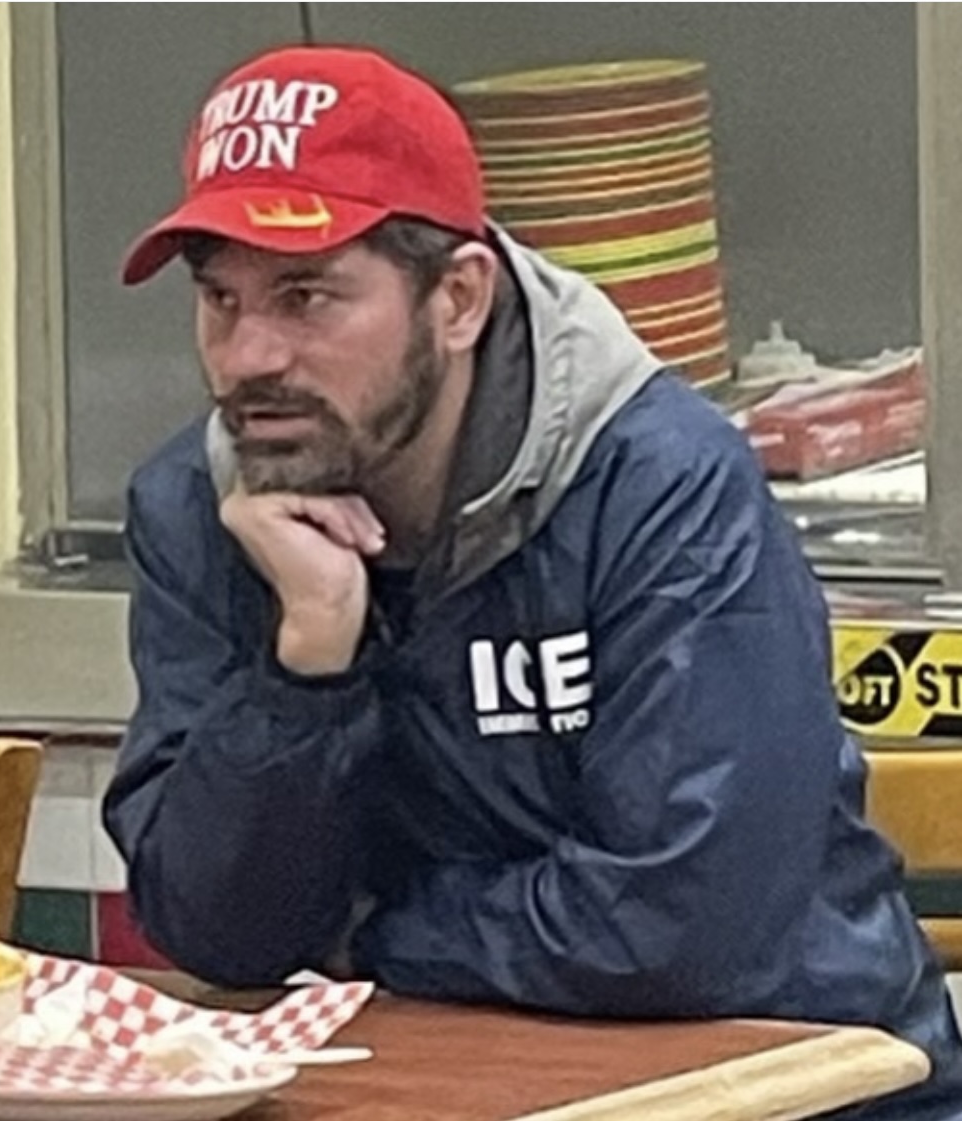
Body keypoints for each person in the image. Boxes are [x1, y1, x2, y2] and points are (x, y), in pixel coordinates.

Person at [103, 44, 962, 1117]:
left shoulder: (658, 480)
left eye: (307, 295)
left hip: (806, 1088)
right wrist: (308, 659)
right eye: (220, 299)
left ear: (457, 298)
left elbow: (685, 929)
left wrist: (370, 929)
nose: (246, 357)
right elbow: (217, 932)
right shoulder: (198, 508)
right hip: (444, 1088)